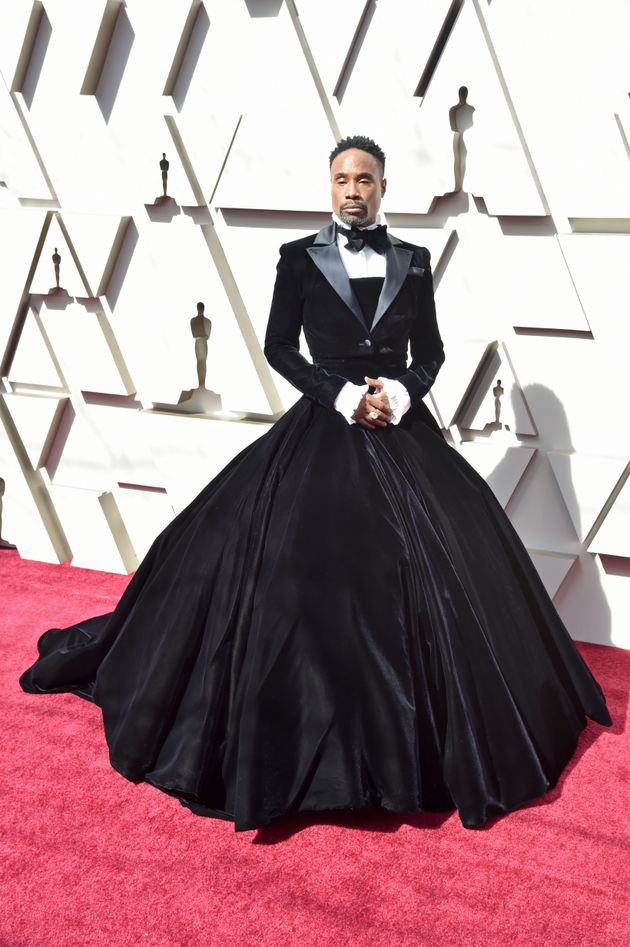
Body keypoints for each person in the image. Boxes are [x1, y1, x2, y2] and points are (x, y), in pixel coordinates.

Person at [20, 135, 611, 832]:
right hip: (323, 424)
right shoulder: (298, 260)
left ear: (384, 188)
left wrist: (398, 389)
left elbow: (434, 353)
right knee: (284, 574)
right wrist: (337, 396)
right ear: (330, 187)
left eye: (364, 179)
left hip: (399, 427)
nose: (352, 189)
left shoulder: (414, 263)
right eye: (341, 179)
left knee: (447, 572)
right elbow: (278, 346)